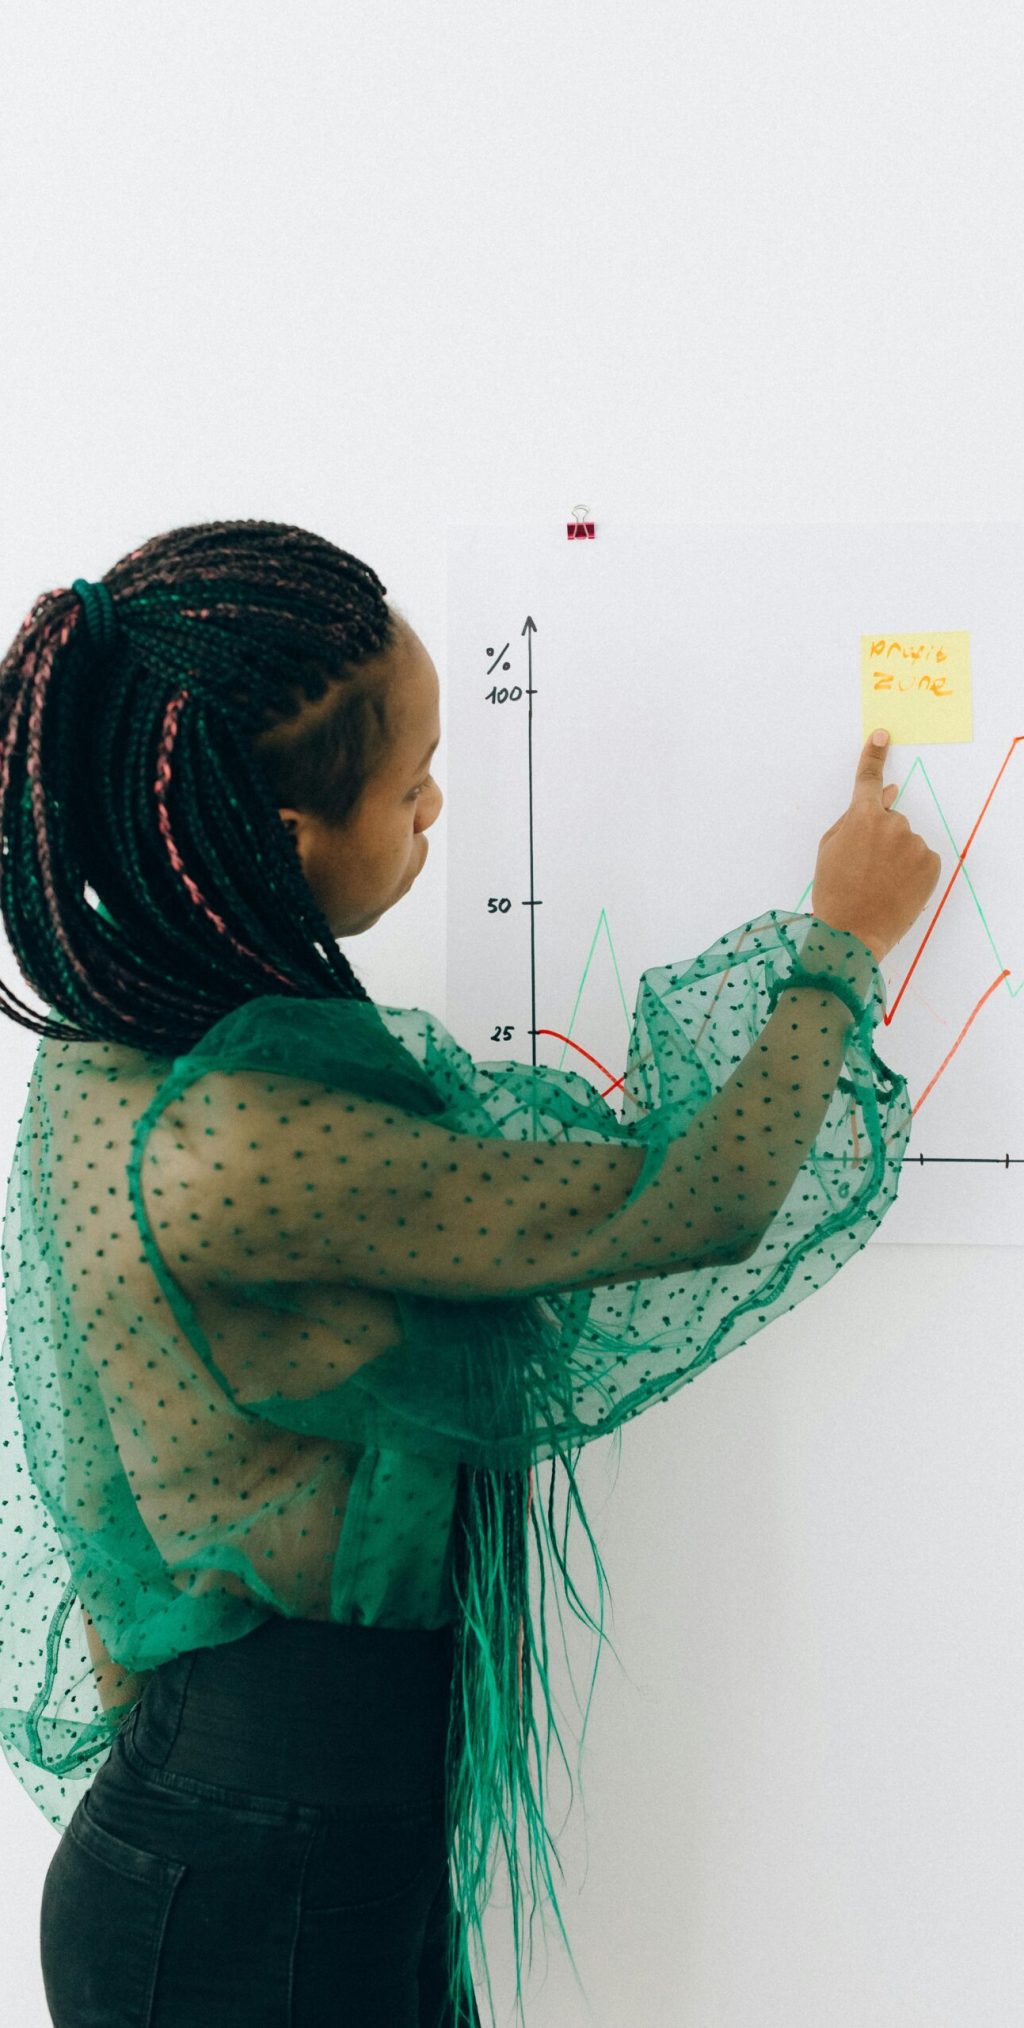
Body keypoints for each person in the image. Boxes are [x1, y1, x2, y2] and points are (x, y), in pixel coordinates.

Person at [0, 519, 937, 2026]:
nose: (441, 804)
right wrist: (841, 943)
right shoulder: (234, 1139)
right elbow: (686, 1201)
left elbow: (115, 1497)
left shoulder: (126, 1047)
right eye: (410, 780)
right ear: (287, 838)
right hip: (256, 1893)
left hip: (251, 1850)